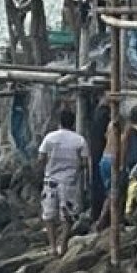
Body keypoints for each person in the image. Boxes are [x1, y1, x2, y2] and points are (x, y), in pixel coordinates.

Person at [38, 109, 89, 256]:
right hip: (69, 181)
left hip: (50, 181)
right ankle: (64, 244)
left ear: (59, 122)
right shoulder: (79, 140)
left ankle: (53, 247)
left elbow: (41, 158)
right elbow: (85, 162)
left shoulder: (50, 137)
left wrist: (48, 167)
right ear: (73, 123)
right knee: (67, 214)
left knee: (48, 214)